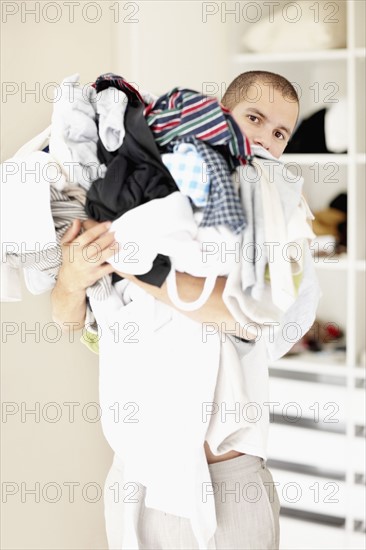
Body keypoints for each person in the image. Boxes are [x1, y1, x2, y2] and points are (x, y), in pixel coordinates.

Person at [51, 71, 300, 549]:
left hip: (225, 484)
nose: (265, 139)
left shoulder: (279, 217)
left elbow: (241, 315)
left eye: (280, 133)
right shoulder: (143, 197)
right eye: (255, 119)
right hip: (135, 477)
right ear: (217, 117)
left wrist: (129, 265)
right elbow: (69, 320)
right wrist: (75, 275)